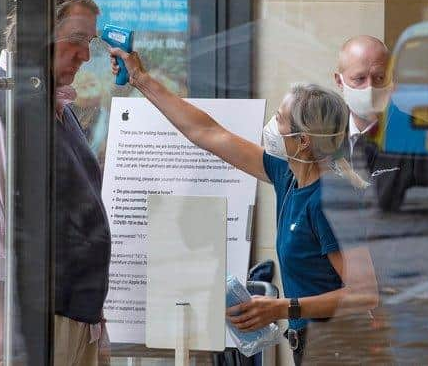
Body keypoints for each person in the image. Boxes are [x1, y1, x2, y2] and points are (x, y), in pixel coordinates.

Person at [109, 48, 379, 365]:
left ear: (303, 141)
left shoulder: (328, 199)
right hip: (314, 346)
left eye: (279, 119)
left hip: (340, 349)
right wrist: (141, 79)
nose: (272, 127)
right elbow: (207, 132)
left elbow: (364, 294)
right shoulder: (289, 176)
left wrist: (283, 308)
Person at [0, 0, 111, 366]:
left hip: (62, 317)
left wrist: (94, 322)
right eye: (78, 39)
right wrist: (3, 331)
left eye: (90, 42)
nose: (85, 55)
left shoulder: (52, 106)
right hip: (10, 321)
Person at [308, 35, 428, 364]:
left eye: (379, 78)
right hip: (338, 312)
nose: (369, 87)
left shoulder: (426, 142)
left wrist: (401, 293)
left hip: (404, 314)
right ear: (338, 81)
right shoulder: (322, 145)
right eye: (358, 79)